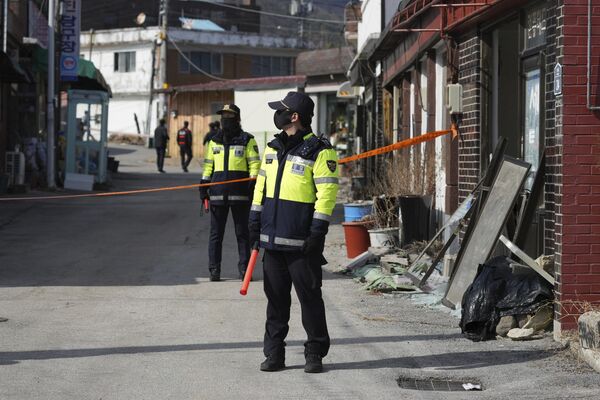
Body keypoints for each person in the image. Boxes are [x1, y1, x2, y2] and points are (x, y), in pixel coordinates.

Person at [248, 92, 339, 374]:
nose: (278, 115)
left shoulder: (320, 150)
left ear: (295, 116)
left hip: (302, 244)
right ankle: (274, 354)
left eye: (282, 111)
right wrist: (253, 219)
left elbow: (327, 193)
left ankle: (314, 353)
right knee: (276, 303)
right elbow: (260, 187)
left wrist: (318, 231)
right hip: (272, 242)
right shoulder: (272, 148)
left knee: (310, 300)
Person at [199, 104, 261, 281]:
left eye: (229, 115)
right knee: (215, 235)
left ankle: (244, 270)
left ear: (237, 118)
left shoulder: (247, 140)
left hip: (240, 196)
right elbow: (208, 166)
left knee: (243, 235)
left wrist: (252, 183)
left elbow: (255, 164)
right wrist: (203, 186)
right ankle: (214, 270)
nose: (226, 119)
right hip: (218, 195)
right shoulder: (214, 141)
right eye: (223, 115)